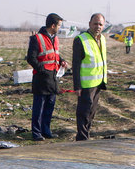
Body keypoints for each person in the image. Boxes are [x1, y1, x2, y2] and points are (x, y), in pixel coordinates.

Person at [26, 13, 68, 141]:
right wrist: (42, 70)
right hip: (41, 78)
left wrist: (62, 61)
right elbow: (31, 58)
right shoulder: (36, 39)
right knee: (39, 107)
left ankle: (46, 130)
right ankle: (36, 133)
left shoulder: (55, 38)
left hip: (53, 78)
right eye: (59, 25)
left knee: (50, 106)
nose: (60, 28)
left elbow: (54, 54)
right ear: (53, 25)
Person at [72, 13, 108, 141]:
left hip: (98, 82)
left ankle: (86, 134)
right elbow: (75, 65)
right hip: (86, 84)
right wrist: (77, 86)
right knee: (84, 112)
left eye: (100, 24)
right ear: (89, 24)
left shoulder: (102, 39)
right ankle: (82, 138)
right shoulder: (81, 40)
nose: (98, 26)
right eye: (95, 23)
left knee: (91, 113)